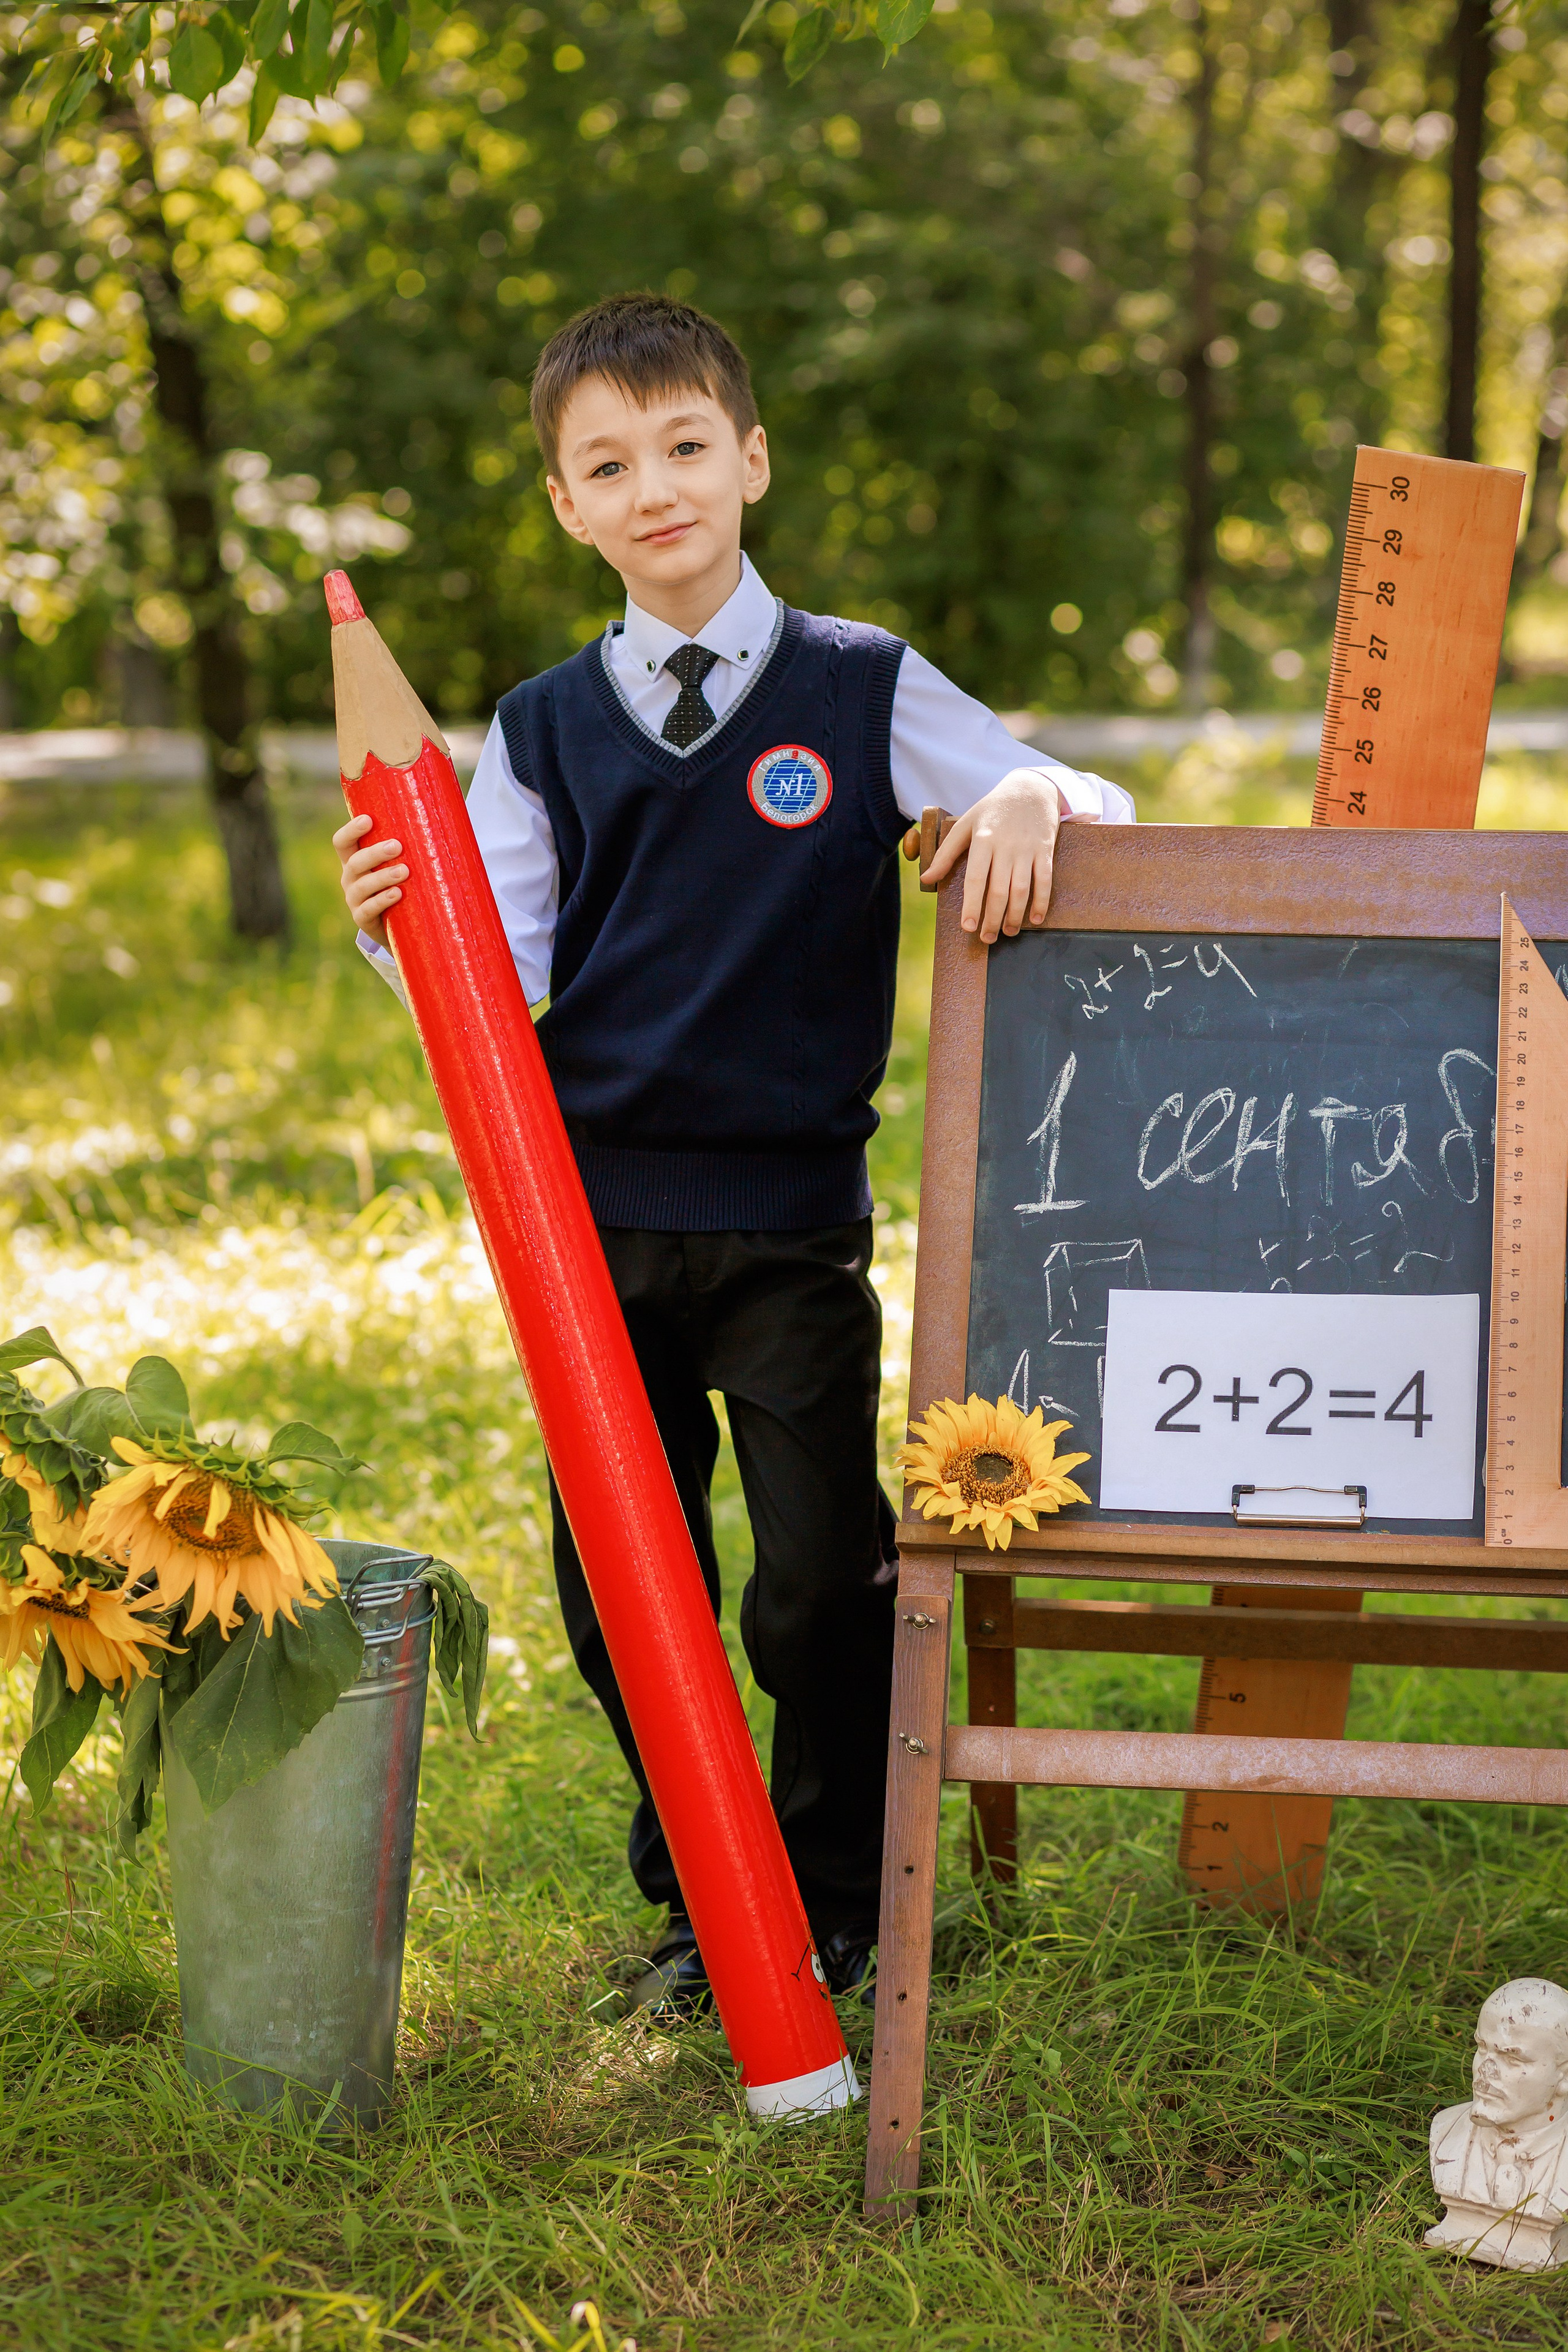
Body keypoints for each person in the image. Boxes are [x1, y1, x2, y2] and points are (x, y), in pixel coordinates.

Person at [335, 293, 1134, 2013]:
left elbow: (1088, 796)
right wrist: (396, 924)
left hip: (786, 1227)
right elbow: (496, 967)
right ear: (566, 505)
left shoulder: (858, 685)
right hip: (589, 1229)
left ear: (749, 459)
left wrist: (1024, 798)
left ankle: (835, 1894)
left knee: (814, 1580)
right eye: (607, 464)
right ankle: (703, 1897)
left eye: (684, 446)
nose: (655, 488)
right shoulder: (539, 727)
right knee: (629, 1587)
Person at [1428, 1978, 1568, 2270]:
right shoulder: (1446, 2130)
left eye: (1512, 2058)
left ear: (1563, 2077)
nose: (1485, 2072)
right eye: (1482, 2048)